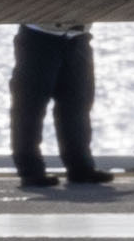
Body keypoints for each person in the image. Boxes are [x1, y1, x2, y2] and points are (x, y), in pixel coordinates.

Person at [7, 16, 108, 190]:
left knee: (78, 105)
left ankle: (80, 168)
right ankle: (31, 172)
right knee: (30, 107)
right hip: (39, 36)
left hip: (78, 36)